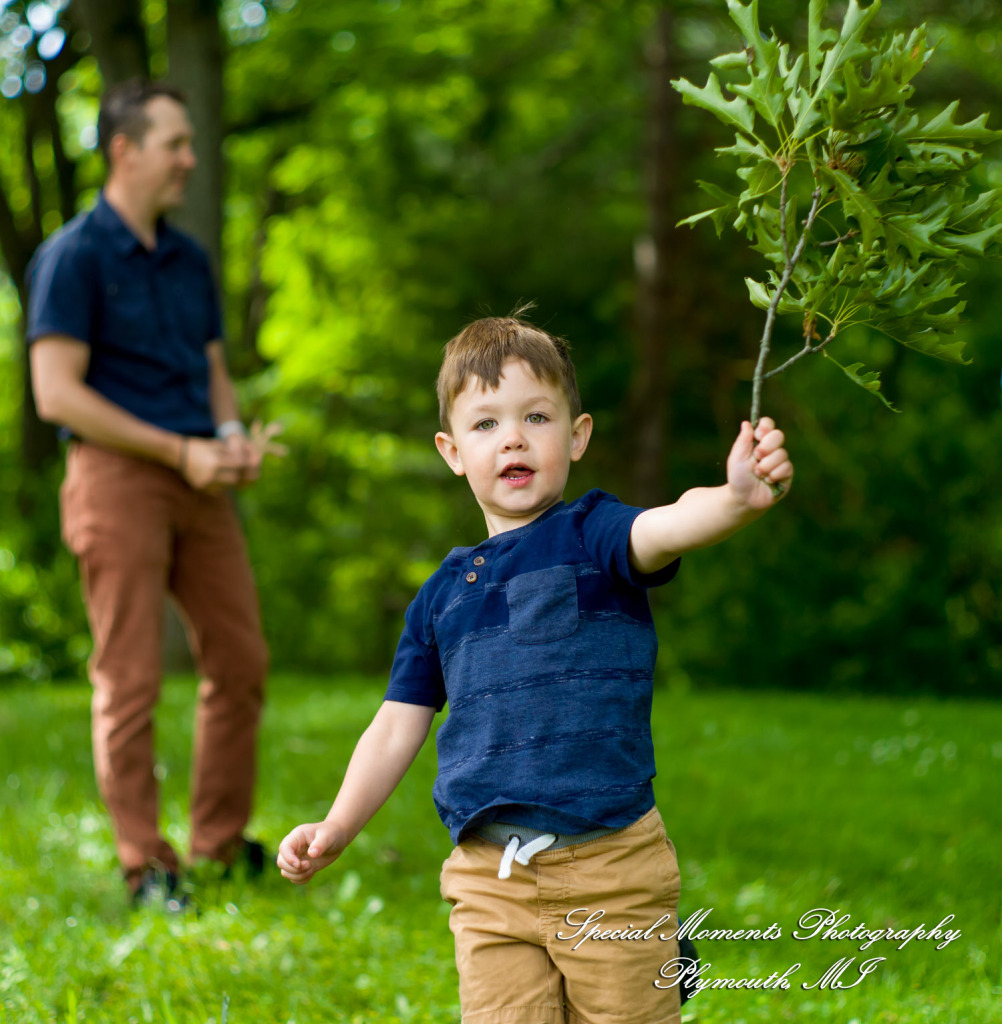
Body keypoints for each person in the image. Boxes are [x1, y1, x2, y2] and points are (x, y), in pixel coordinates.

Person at [277, 312, 793, 1024]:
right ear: (452, 450)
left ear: (576, 437)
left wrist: (733, 502)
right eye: (485, 425)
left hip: (612, 870)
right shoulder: (439, 599)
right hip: (491, 879)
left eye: (536, 416)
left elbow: (665, 525)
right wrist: (337, 824)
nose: (513, 437)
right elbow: (397, 724)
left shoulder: (594, 534)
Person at [25, 79, 270, 905]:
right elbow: (55, 392)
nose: (189, 161)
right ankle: (147, 865)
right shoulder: (73, 256)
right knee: (128, 678)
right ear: (124, 149)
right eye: (175, 144)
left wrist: (231, 442)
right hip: (116, 476)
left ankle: (219, 840)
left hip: (201, 479)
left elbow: (211, 373)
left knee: (240, 659)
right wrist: (178, 449)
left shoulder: (190, 258)